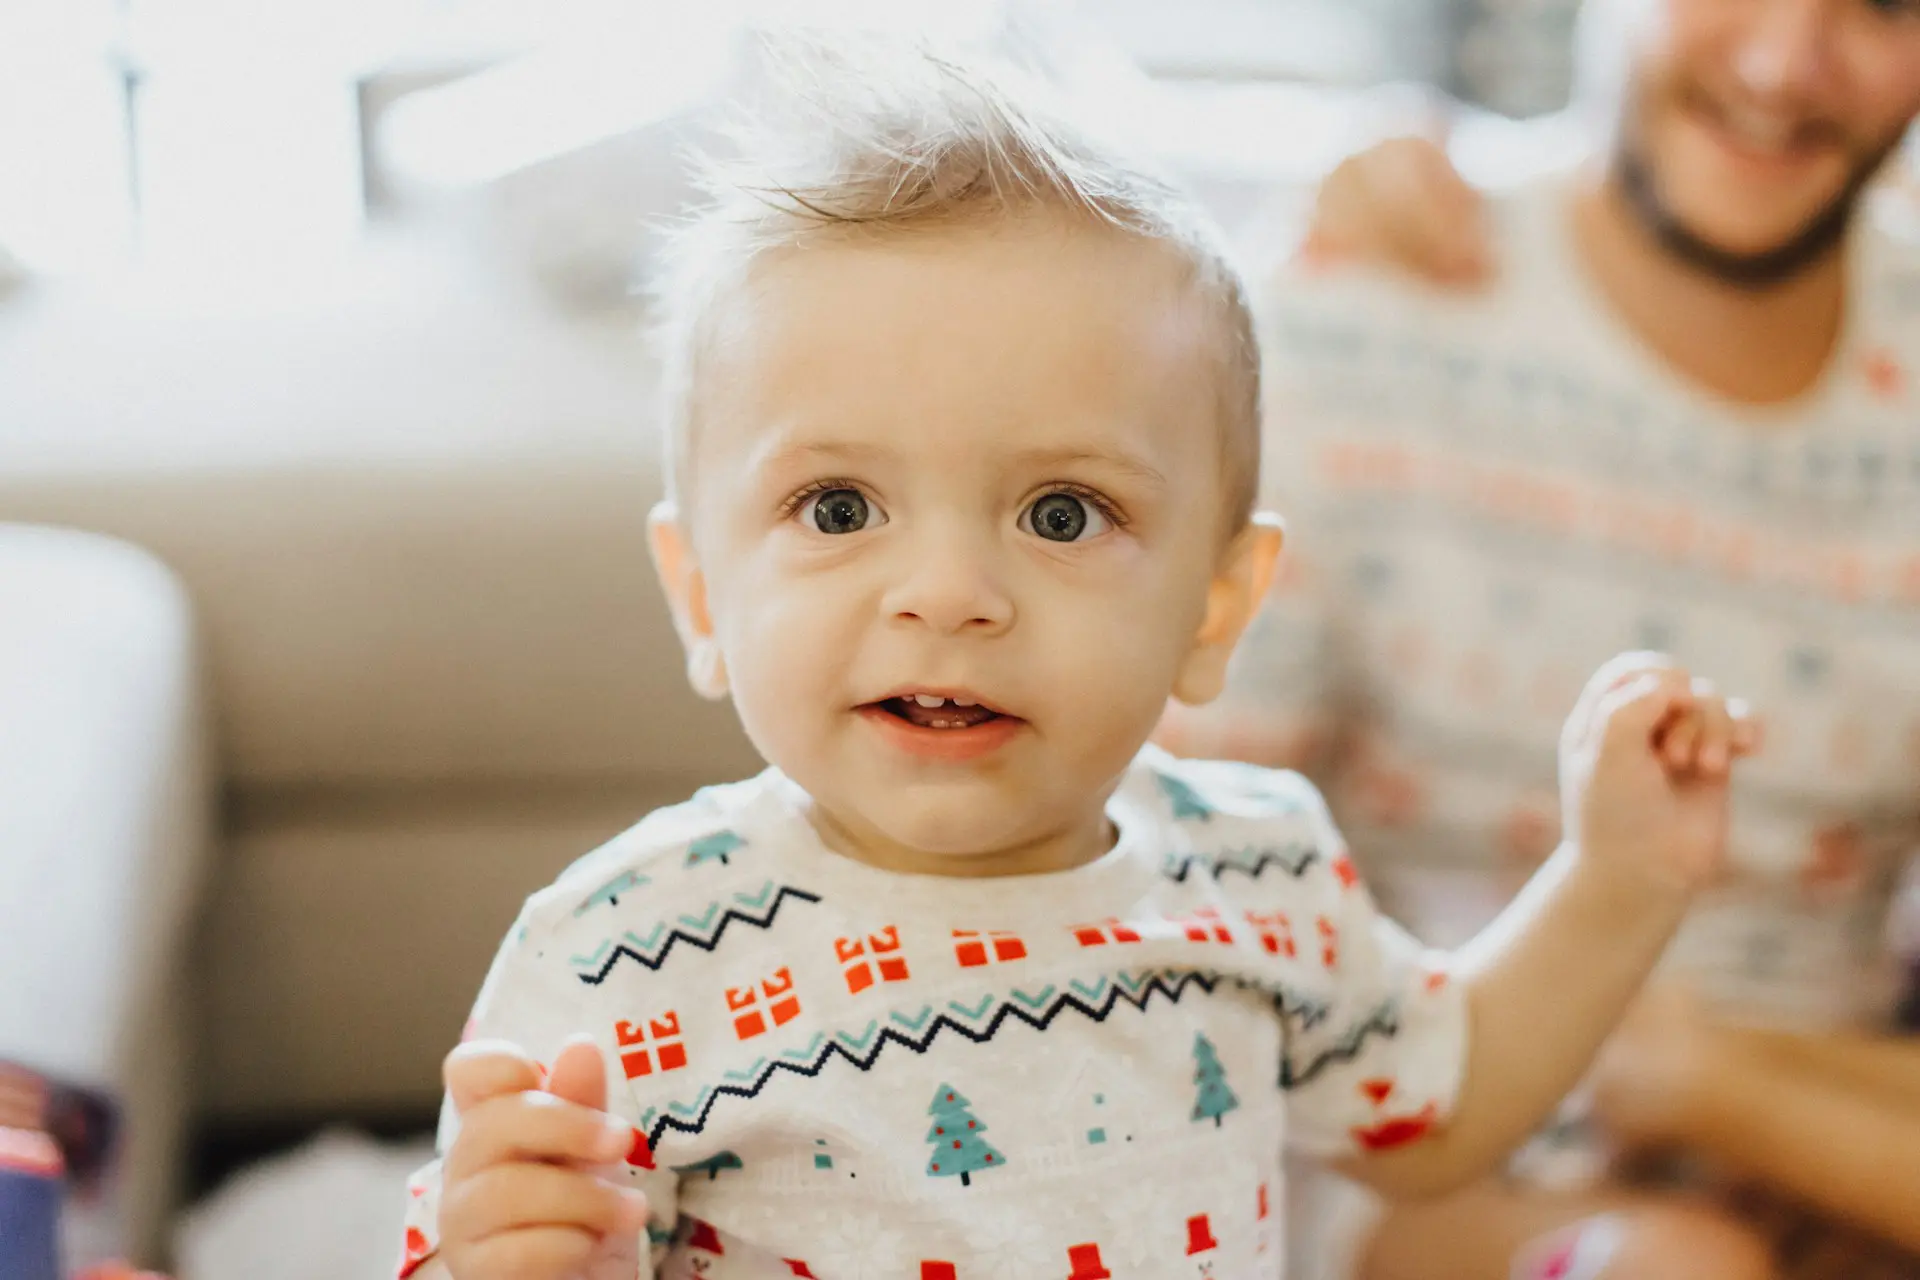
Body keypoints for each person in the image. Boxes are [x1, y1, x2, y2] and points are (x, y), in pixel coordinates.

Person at [390, 41, 1755, 1280]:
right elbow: (486, 1231)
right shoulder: (628, 948)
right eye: (839, 508)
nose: (947, 594)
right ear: (700, 592)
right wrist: (507, 1255)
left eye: (1062, 515)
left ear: (1215, 610)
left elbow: (1434, 1111)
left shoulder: (1255, 867)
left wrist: (1620, 878)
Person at [1158, 1, 1920, 1277]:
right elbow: (1171, 887)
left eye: (1881, 5)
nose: (1787, 65)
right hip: (1407, 1147)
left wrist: (1715, 1084)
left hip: (1811, 1144)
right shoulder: (1366, 302)